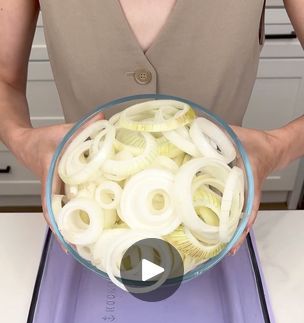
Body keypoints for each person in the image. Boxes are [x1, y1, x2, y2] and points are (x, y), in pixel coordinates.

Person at [0, 0, 303, 251]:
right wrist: (21, 138)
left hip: (215, 227)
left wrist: (277, 147)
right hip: (88, 231)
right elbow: (4, 79)